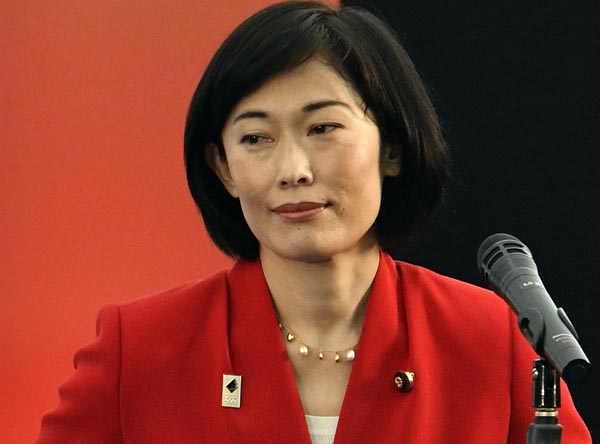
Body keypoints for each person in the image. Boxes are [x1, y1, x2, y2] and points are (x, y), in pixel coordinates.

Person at [36, 2, 591, 443]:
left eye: (323, 128)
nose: (293, 170)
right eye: (256, 138)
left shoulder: (489, 339)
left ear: (392, 148)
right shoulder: (141, 348)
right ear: (223, 169)